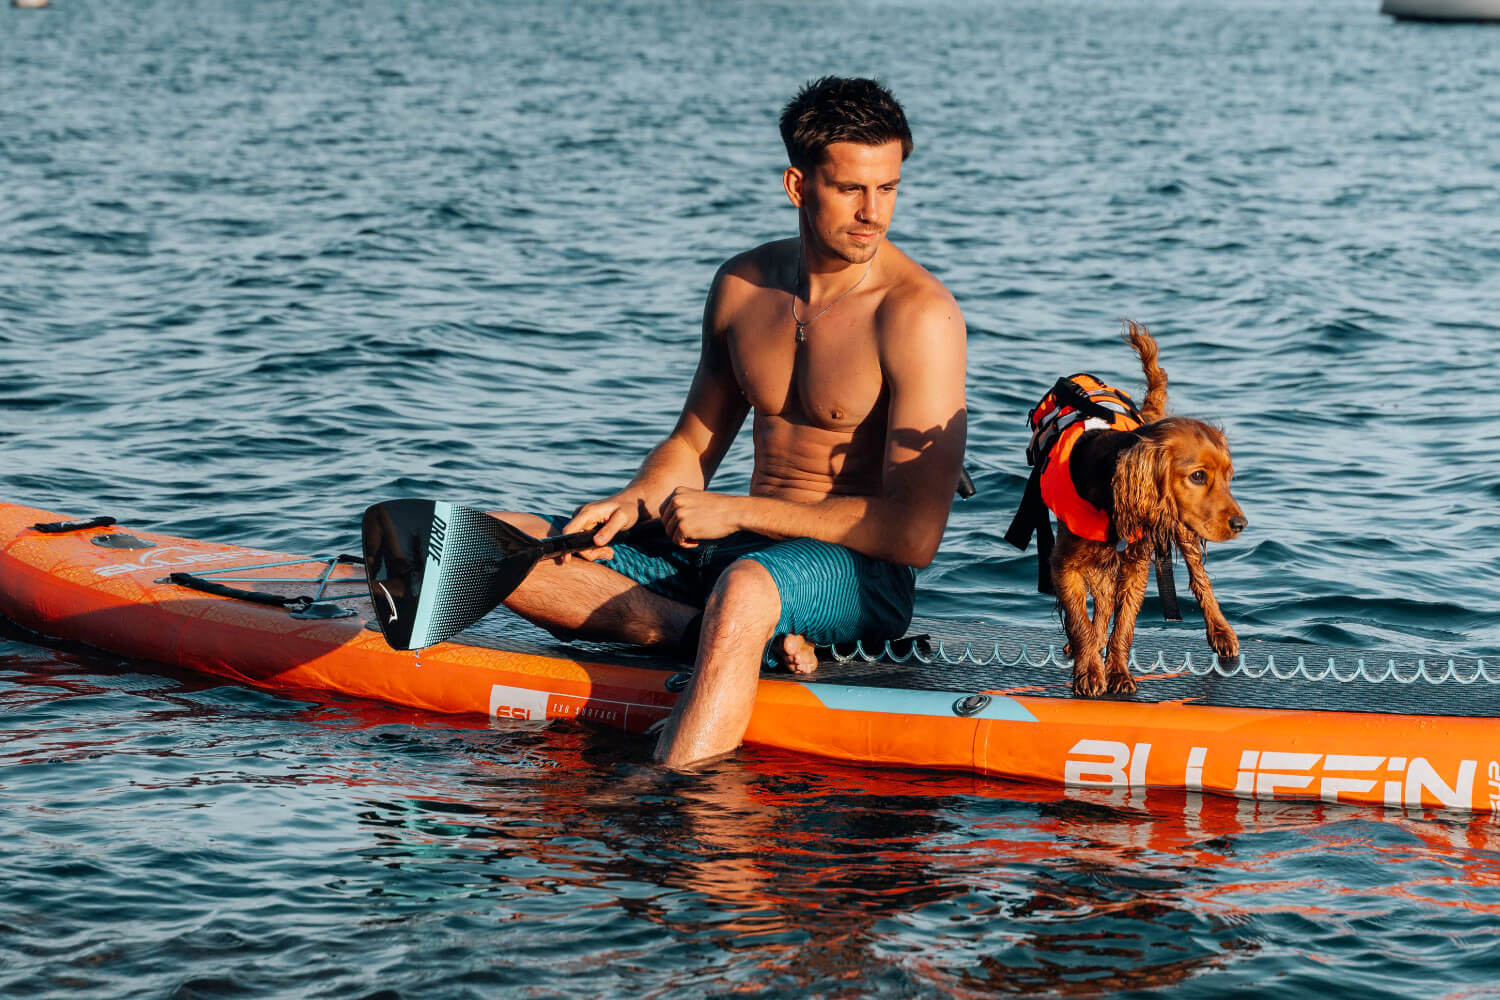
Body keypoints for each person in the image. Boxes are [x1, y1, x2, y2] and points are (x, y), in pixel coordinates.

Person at [497, 76, 967, 769]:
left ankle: (683, 801)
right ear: (797, 185)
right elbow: (693, 442)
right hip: (732, 548)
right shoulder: (743, 286)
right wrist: (632, 502)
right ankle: (706, 633)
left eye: (888, 188)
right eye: (850, 189)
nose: (873, 213)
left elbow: (915, 536)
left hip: (857, 574)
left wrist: (734, 511)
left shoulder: (918, 315)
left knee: (745, 587)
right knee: (507, 541)